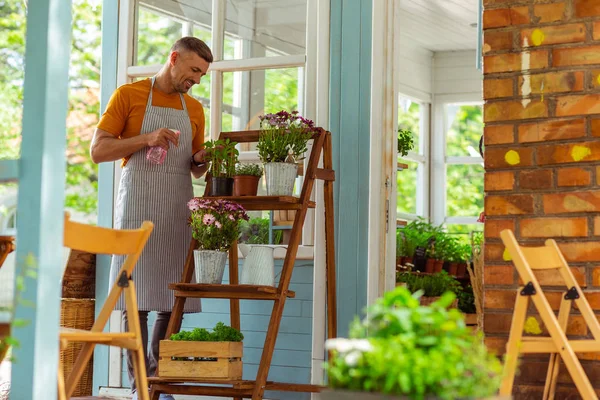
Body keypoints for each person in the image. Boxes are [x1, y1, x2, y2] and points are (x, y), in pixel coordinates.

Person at [90, 37, 213, 400]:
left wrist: (203, 159)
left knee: (172, 296)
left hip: (177, 205)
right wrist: (146, 138)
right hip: (138, 203)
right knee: (137, 297)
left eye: (202, 74)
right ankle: (139, 388)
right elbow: (98, 151)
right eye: (193, 70)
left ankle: (158, 386)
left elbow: (193, 168)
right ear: (173, 58)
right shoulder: (127, 96)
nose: (197, 80)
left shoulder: (194, 108)